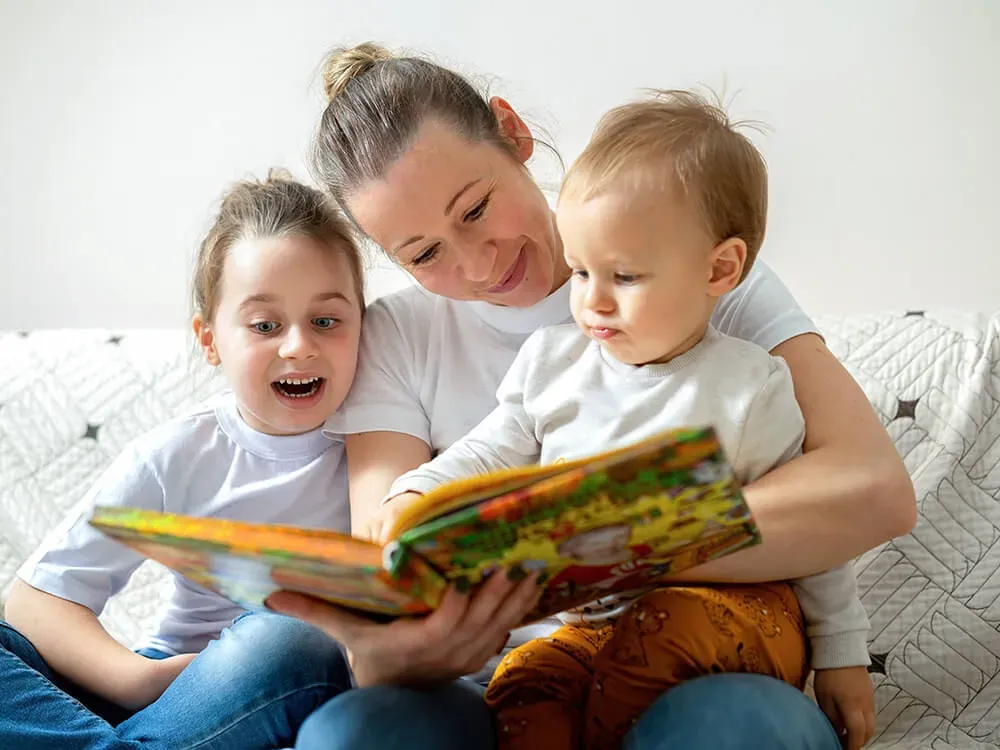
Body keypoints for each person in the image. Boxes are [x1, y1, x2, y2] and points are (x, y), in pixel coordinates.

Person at [267, 41, 916, 750]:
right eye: (422, 255)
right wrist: (414, 613)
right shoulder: (424, 341)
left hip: (693, 663)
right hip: (510, 676)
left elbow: (869, 492)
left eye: (477, 208)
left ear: (513, 133)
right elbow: (390, 581)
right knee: (351, 734)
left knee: (736, 730)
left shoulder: (691, 268)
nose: (477, 262)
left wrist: (618, 544)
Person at [0, 172, 480, 750]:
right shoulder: (181, 451)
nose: (299, 345)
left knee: (290, 641)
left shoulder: (388, 440)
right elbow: (35, 599)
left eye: (326, 321)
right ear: (210, 340)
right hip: (171, 698)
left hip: (290, 686)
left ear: (365, 329)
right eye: (265, 325)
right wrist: (135, 679)